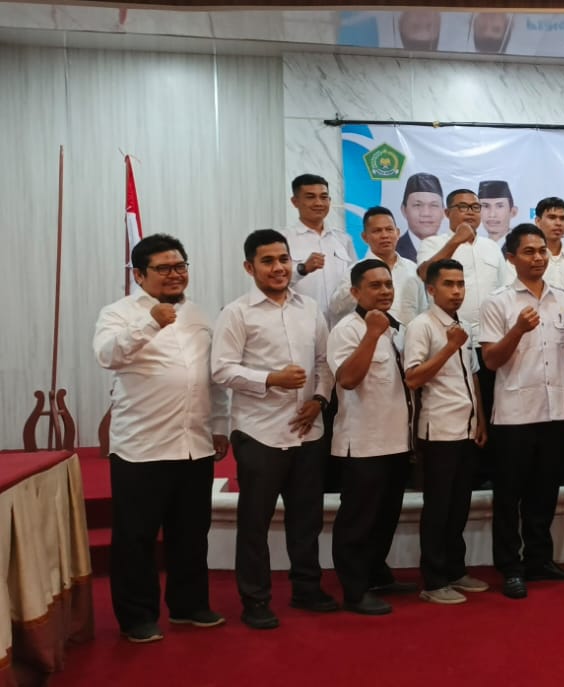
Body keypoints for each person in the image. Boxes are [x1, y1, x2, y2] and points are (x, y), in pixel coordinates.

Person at [96, 234, 229, 643]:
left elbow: (212, 377)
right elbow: (108, 355)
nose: (175, 274)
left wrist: (220, 424)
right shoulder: (118, 313)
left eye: (180, 266)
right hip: (142, 446)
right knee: (136, 537)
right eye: (164, 268)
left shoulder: (201, 315)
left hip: (194, 444)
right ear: (139, 275)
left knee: (191, 532)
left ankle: (189, 605)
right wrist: (151, 322)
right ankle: (137, 616)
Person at [212, 229, 336, 630]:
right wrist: (270, 379)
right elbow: (221, 369)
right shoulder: (237, 313)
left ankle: (307, 588)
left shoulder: (309, 307)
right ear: (250, 267)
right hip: (259, 433)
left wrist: (319, 400)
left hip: (308, 430)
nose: (279, 267)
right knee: (255, 523)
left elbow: (325, 363)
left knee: (307, 518)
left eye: (283, 259)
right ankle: (255, 599)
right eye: (267, 261)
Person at [480, 224, 564, 599]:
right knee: (510, 496)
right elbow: (490, 361)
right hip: (514, 415)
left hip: (555, 412)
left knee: (545, 492)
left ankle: (539, 560)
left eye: (542, 251)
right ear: (511, 258)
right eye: (529, 251)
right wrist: (517, 331)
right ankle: (511, 567)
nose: (538, 257)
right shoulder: (497, 302)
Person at [327, 260, 417, 616]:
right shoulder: (347, 330)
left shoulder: (397, 328)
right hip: (363, 443)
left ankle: (377, 575)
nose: (384, 291)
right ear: (355, 292)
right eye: (375, 285)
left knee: (385, 517)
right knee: (358, 521)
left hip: (397, 440)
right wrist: (371, 335)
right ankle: (354, 590)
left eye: (388, 284)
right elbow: (348, 380)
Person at [404, 259, 491, 604]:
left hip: (466, 429)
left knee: (459, 507)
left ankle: (455, 570)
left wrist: (480, 419)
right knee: (438, 509)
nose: (456, 291)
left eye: (460, 284)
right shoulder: (421, 326)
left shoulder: (463, 325)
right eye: (448, 284)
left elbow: (473, 376)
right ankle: (433, 580)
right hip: (438, 430)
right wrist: (450, 346)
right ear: (431, 289)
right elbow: (413, 378)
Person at [418, 188, 505, 450]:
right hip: (450, 341)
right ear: (447, 212)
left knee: (492, 407)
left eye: (475, 207)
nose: (470, 212)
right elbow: (424, 273)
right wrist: (455, 241)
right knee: (460, 406)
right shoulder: (432, 243)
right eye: (463, 207)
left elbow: (504, 290)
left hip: (490, 340)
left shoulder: (492, 247)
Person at [330, 207, 428, 326]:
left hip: (408, 335)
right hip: (369, 335)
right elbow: (336, 308)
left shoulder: (412, 269)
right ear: (365, 237)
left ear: (397, 233)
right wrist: (358, 284)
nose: (384, 235)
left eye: (389, 229)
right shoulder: (355, 271)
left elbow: (423, 310)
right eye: (377, 231)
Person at [285, 174, 357, 325]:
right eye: (310, 197)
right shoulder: (283, 239)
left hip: (341, 325)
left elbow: (355, 281)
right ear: (295, 201)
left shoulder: (344, 239)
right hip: (301, 324)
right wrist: (302, 269)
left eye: (324, 197)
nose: (318, 203)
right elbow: (272, 281)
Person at [398, 173, 444, 262]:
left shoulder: (453, 248)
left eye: (434, 205)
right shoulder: (392, 250)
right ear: (404, 210)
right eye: (417, 205)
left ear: (443, 212)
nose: (426, 213)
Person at [478, 180, 517, 244]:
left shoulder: (521, 245)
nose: (492, 214)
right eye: (486, 206)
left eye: (500, 206)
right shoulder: (476, 246)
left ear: (513, 212)